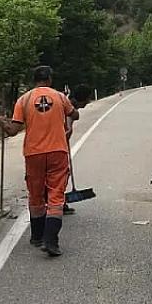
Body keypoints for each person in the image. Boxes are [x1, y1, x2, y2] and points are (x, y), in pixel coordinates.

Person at [0, 65, 79, 256]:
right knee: (56, 195)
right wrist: (69, 115)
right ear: (49, 79)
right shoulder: (60, 97)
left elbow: (13, 130)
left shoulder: (24, 100)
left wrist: (2, 122)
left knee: (35, 194)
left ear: (34, 80)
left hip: (33, 154)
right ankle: (50, 240)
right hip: (57, 152)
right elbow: (74, 114)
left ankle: (36, 236)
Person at [62, 84, 93, 216]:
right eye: (87, 99)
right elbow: (67, 127)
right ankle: (56, 203)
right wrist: (67, 133)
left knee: (60, 175)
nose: (88, 102)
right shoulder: (67, 105)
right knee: (61, 174)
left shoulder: (67, 103)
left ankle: (56, 202)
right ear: (82, 99)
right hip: (56, 146)